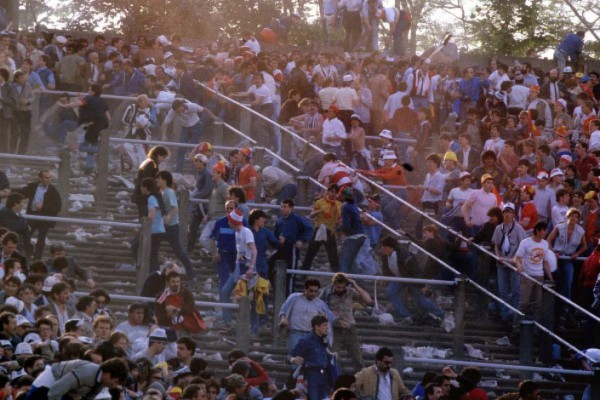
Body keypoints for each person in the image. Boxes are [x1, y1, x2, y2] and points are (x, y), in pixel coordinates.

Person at [380, 235, 447, 325]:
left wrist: (422, 285)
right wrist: (385, 278)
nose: (382, 249)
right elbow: (386, 269)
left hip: (411, 279)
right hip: (399, 278)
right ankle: (405, 316)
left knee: (420, 299)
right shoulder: (385, 256)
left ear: (390, 247)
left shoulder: (405, 256)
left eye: (384, 247)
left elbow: (416, 271)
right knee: (391, 292)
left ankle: (443, 314)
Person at [320, 272, 371, 370]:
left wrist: (355, 285)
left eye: (342, 287)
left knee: (357, 358)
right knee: (332, 358)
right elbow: (318, 307)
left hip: (349, 329)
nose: (340, 289)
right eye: (337, 287)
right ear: (333, 284)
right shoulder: (326, 292)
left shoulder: (351, 292)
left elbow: (368, 300)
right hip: (333, 329)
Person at [57, 84, 110, 173]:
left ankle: (103, 151)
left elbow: (77, 104)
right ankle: (90, 167)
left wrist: (64, 106)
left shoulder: (88, 99)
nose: (88, 92)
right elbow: (109, 118)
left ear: (93, 92)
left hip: (91, 127)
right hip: (102, 127)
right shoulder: (103, 101)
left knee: (81, 147)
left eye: (89, 90)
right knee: (92, 146)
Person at [512, 221, 553, 335]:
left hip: (539, 275)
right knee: (524, 303)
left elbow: (545, 262)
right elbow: (517, 258)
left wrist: (550, 277)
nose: (545, 232)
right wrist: (519, 266)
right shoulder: (525, 242)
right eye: (544, 230)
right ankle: (515, 328)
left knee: (538, 304)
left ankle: (536, 328)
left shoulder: (545, 244)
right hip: (527, 275)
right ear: (538, 230)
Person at [491, 203, 527, 324]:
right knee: (502, 289)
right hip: (501, 262)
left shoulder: (518, 228)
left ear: (513, 215)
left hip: (514, 262)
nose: (507, 214)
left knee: (516, 289)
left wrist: (516, 259)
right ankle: (504, 314)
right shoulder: (498, 228)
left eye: (509, 212)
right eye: (505, 212)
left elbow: (523, 245)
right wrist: (497, 256)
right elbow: (495, 243)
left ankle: (514, 314)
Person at [25, 357, 129, 400]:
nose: (114, 385)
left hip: (63, 389)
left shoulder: (101, 382)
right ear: (108, 374)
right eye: (115, 381)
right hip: (50, 380)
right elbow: (55, 391)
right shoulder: (86, 373)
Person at [219, 209, 257, 325]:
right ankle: (227, 320)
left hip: (247, 268)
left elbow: (254, 251)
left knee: (248, 298)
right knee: (225, 291)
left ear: (234, 221)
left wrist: (251, 268)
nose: (228, 223)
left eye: (229, 220)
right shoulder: (237, 233)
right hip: (239, 267)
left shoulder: (246, 232)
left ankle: (250, 325)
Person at [156, 170, 194, 280]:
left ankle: (191, 273)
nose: (157, 180)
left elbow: (175, 207)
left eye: (159, 178)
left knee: (178, 250)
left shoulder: (168, 192)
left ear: (164, 180)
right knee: (173, 249)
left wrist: (168, 217)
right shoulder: (163, 192)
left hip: (171, 226)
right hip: (166, 226)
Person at [279, 277, 333, 355]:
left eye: (315, 291)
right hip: (295, 332)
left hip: (311, 334)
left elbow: (326, 318)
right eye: (311, 291)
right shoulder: (294, 297)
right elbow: (283, 310)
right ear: (305, 288)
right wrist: (283, 318)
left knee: (309, 358)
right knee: (295, 356)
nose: (313, 293)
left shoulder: (320, 304)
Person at [15, 170, 62, 260]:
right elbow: (22, 192)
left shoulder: (53, 191)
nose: (48, 180)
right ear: (40, 178)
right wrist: (9, 190)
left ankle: (37, 259)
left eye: (50, 178)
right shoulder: (33, 186)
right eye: (46, 178)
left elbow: (57, 206)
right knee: (26, 236)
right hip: (32, 216)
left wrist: (43, 207)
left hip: (44, 218)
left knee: (41, 240)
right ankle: (25, 256)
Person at [162, 98, 217, 173]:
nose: (178, 112)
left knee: (193, 148)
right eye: (176, 111)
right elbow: (165, 123)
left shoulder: (192, 106)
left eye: (179, 110)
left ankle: (194, 171)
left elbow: (205, 110)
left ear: (182, 105)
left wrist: (214, 117)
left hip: (196, 126)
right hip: (185, 128)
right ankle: (179, 171)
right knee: (181, 148)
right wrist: (163, 135)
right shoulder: (173, 111)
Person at [267, 199, 312, 286]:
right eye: (281, 206)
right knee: (269, 263)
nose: (282, 209)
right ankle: (275, 285)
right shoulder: (279, 221)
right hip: (281, 248)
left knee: (290, 273)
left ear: (291, 208)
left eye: (285, 207)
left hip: (292, 248)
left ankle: (290, 293)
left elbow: (309, 228)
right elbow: (276, 234)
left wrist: (301, 240)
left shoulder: (297, 219)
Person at [290, 315, 334, 400]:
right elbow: (291, 355)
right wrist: (293, 359)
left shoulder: (324, 339)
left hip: (324, 375)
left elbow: (324, 355)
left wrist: (331, 355)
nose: (327, 328)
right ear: (317, 326)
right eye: (324, 325)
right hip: (311, 375)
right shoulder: (306, 340)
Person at [547, 207, 586, 300]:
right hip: (556, 257)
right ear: (567, 217)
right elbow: (548, 240)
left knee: (569, 280)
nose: (573, 218)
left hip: (569, 258)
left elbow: (585, 246)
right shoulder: (559, 227)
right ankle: (552, 302)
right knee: (555, 280)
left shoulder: (581, 231)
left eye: (576, 217)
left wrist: (577, 253)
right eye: (572, 216)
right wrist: (552, 252)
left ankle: (566, 305)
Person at [302, 184, 342, 272]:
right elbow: (311, 215)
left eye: (335, 192)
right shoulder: (320, 202)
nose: (333, 194)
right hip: (319, 229)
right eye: (332, 191)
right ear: (328, 192)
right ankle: (302, 274)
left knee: (333, 256)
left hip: (330, 231)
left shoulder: (339, 204)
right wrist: (320, 210)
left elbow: (340, 220)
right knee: (310, 253)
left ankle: (336, 277)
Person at [132, 145, 169, 219]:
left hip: (141, 194)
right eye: (163, 157)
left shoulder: (148, 162)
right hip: (143, 196)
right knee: (145, 218)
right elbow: (147, 180)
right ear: (158, 155)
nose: (163, 159)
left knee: (143, 217)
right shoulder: (151, 164)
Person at [337, 187, 366, 274]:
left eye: (340, 194)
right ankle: (359, 283)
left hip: (353, 237)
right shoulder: (353, 205)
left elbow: (347, 226)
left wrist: (336, 229)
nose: (339, 196)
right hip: (360, 235)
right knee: (351, 263)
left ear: (344, 196)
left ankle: (344, 284)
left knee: (343, 263)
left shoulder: (345, 207)